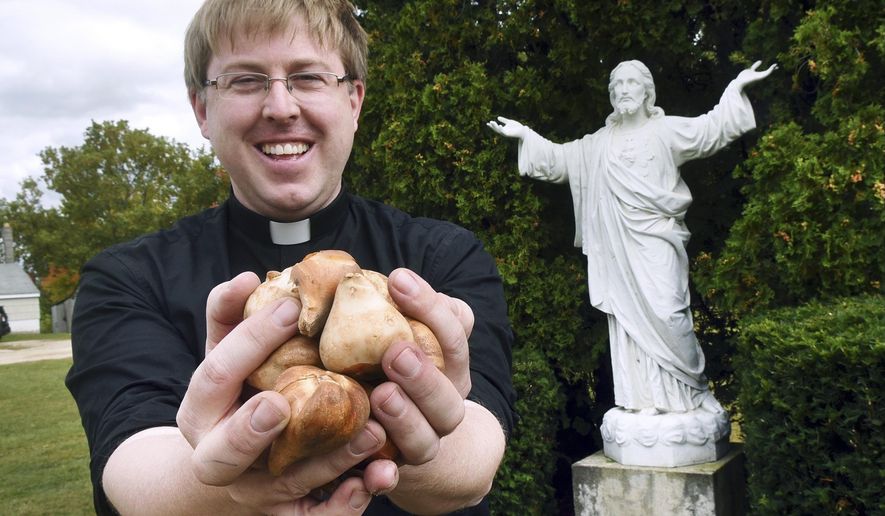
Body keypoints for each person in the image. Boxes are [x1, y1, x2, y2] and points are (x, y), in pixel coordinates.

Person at [66, 1, 516, 514]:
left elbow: (477, 458)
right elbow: (134, 466)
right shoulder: (127, 278)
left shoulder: (443, 257)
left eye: (308, 77)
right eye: (245, 80)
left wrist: (424, 439)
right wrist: (239, 477)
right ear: (201, 110)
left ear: (354, 100)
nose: (280, 107)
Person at [487, 60, 775, 416]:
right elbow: (562, 160)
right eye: (617, 84)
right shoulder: (599, 143)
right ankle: (643, 402)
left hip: (657, 242)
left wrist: (736, 88)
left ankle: (694, 393)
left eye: (631, 83)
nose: (624, 89)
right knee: (628, 323)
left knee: (670, 314)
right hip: (617, 249)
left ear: (646, 91)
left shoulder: (665, 131)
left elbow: (710, 129)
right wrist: (525, 135)